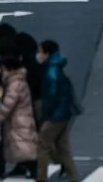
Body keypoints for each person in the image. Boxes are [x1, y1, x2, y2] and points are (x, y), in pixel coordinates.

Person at [35, 40, 81, 182]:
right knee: (63, 148)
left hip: (55, 115)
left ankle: (41, 178)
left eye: (40, 52)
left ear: (47, 53)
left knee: (42, 146)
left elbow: (51, 95)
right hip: (64, 113)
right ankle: (74, 178)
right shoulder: (56, 67)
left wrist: (44, 115)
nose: (39, 55)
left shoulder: (51, 71)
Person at [0, 44, 39, 180]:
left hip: (18, 122)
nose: (2, 72)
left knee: (23, 149)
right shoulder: (17, 81)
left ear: (9, 69)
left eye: (3, 69)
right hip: (19, 121)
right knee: (22, 149)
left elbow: (8, 105)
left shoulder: (15, 84)